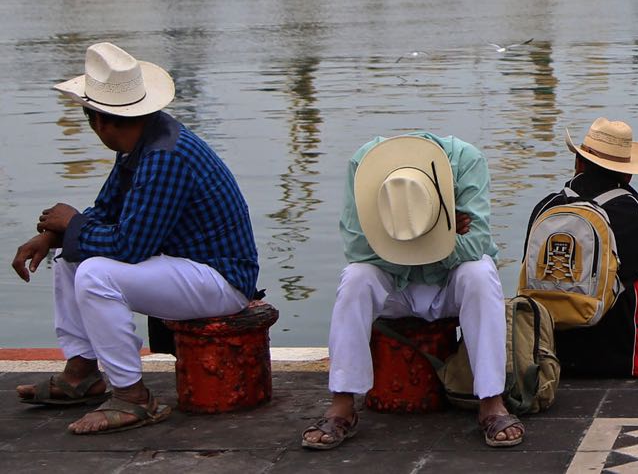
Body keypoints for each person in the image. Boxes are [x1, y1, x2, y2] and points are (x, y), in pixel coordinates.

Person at [12, 41, 259, 435]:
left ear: (99, 120)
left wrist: (73, 225)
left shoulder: (164, 156)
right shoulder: (143, 142)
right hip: (189, 268)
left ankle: (133, 397)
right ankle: (82, 373)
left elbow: (130, 247)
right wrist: (57, 236)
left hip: (221, 280)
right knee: (72, 259)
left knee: (94, 273)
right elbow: (107, 212)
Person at [301, 132, 524, 451]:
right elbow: (356, 247)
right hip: (394, 284)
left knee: (480, 272)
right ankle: (342, 403)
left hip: (447, 283)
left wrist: (426, 233)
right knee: (355, 278)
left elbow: (478, 243)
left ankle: (491, 399)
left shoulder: (466, 161)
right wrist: (443, 233)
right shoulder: (362, 164)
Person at [523, 117, 638, 378]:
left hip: (551, 357)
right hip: (626, 359)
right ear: (628, 173)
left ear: (579, 163)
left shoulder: (547, 208)